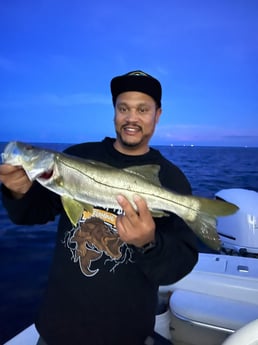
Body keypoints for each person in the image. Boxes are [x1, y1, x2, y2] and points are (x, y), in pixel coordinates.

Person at [0, 70, 198, 345]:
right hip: (58, 327)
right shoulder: (79, 155)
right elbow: (33, 213)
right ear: (115, 112)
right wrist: (17, 190)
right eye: (123, 108)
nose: (131, 118)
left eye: (143, 109)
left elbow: (179, 265)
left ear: (158, 114)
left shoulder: (171, 178)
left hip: (125, 333)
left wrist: (148, 243)